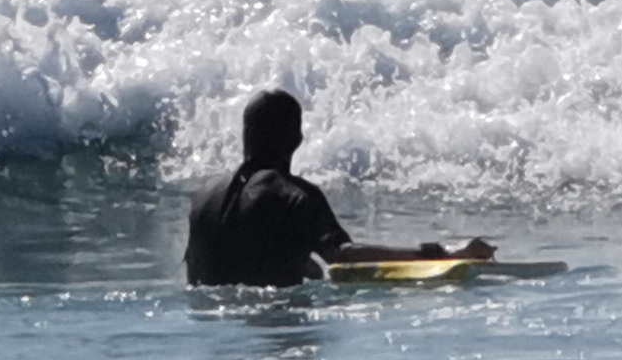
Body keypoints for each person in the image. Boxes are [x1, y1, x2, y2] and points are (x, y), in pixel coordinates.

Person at [183, 89, 489, 286]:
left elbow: (235, 254)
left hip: (213, 330)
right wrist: (441, 253)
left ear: (245, 135)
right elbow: (344, 257)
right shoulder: (294, 196)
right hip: (270, 321)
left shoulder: (204, 196)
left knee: (312, 272)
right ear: (297, 139)